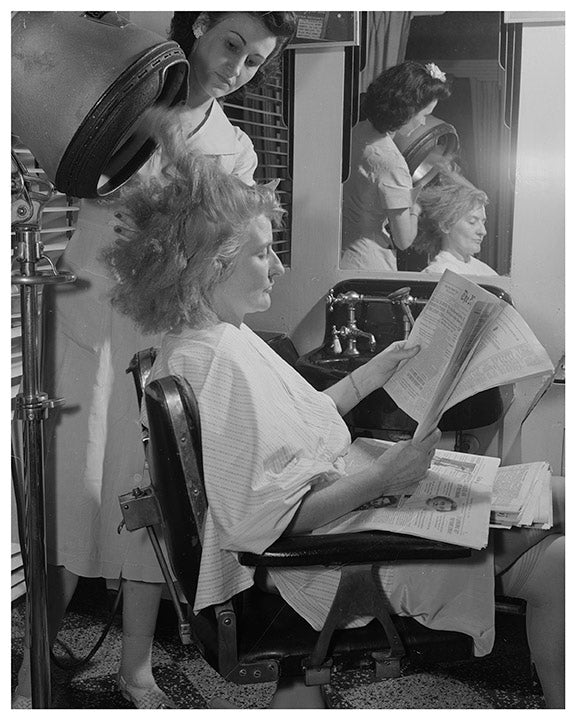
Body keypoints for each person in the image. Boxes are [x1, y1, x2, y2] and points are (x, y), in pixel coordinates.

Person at [104, 115, 565, 709]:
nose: (278, 269)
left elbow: (298, 424)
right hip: (324, 568)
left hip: (346, 522)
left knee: (557, 539)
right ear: (212, 265)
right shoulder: (217, 360)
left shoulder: (217, 339)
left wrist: (374, 371)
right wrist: (385, 477)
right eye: (264, 254)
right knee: (559, 524)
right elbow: (259, 522)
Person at [12, 11, 297, 710]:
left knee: (147, 503)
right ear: (199, 27)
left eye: (255, 62)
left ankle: (135, 668)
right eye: (232, 44)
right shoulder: (111, 92)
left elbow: (213, 253)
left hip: (160, 338)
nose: (236, 67)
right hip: (82, 325)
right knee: (65, 497)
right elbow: (66, 165)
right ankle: (28, 666)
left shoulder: (235, 151)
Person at [340, 61, 452, 272]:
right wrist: (415, 208)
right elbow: (404, 240)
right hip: (368, 262)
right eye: (423, 115)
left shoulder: (355, 133)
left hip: (338, 253)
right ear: (405, 109)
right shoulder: (392, 162)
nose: (422, 123)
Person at [414, 173, 498, 276]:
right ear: (446, 225)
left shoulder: (487, 272)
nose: (483, 231)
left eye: (483, 222)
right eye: (472, 222)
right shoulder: (438, 272)